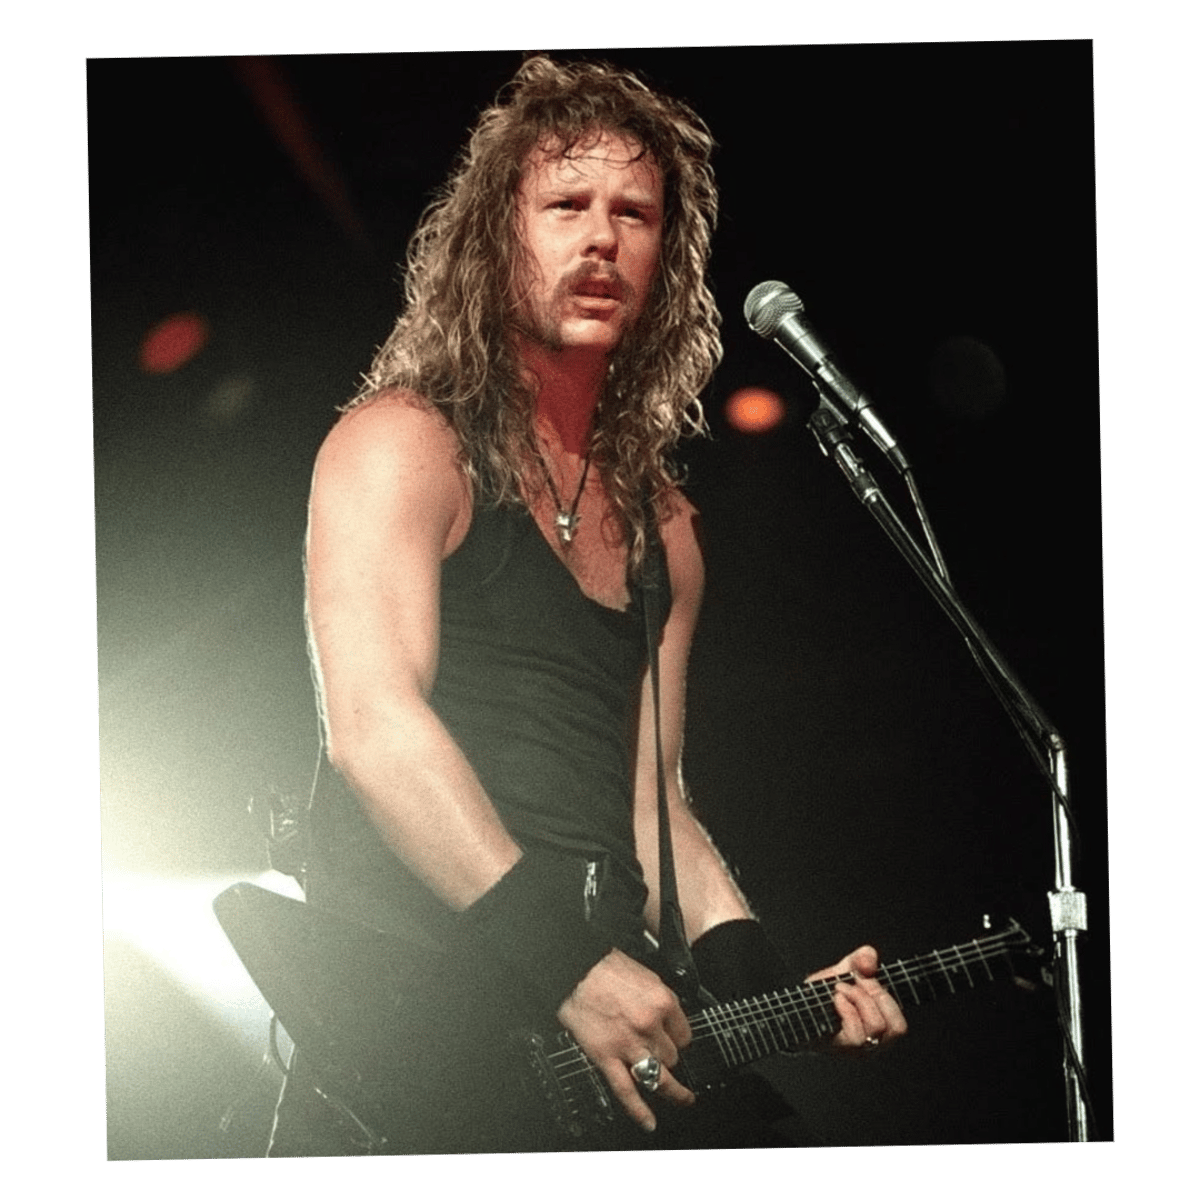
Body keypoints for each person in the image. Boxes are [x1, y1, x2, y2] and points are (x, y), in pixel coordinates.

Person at [265, 54, 906, 1157]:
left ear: (668, 256)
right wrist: (566, 966)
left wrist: (769, 991)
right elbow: (372, 727)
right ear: (495, 237)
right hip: (428, 1016)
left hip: (598, 1003)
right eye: (566, 205)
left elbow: (653, 804)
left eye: (634, 214)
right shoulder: (402, 445)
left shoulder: (665, 529)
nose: (602, 239)